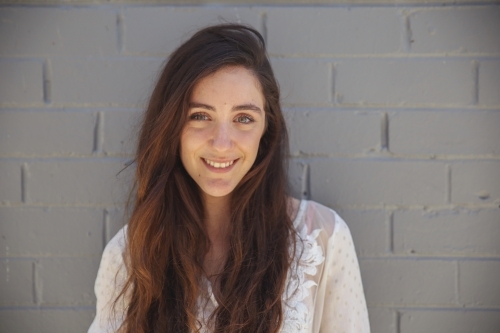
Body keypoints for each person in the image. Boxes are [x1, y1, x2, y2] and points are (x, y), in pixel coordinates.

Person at [88, 24, 370, 333]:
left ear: (267, 130)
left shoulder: (322, 238)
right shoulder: (131, 254)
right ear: (171, 127)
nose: (222, 143)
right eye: (200, 116)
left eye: (244, 119)